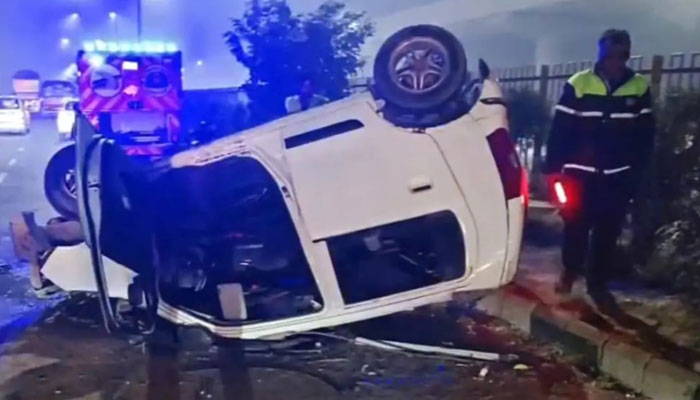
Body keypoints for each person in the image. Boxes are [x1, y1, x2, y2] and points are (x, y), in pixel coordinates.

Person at [545, 29, 655, 309]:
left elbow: (645, 134)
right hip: (578, 174)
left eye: (620, 55)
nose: (614, 61)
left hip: (617, 175)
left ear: (627, 55)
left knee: (608, 231)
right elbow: (560, 128)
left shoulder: (638, 86)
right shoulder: (579, 83)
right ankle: (570, 271)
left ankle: (598, 284)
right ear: (600, 53)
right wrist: (553, 168)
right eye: (609, 55)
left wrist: (637, 172)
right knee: (575, 227)